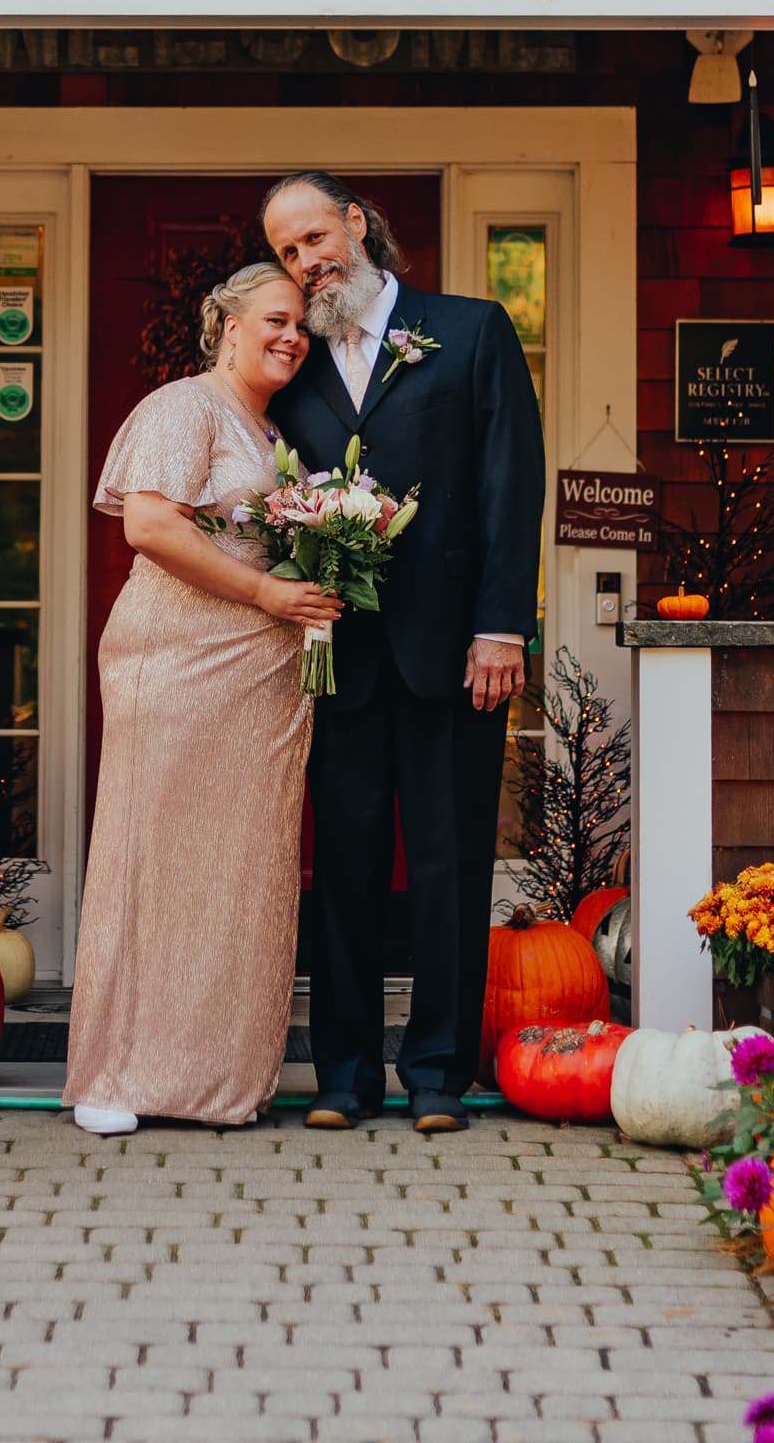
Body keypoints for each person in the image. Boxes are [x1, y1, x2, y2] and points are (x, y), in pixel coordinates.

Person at [259, 171, 544, 1134]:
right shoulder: (289, 364)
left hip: (455, 653)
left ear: (356, 222)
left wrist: (502, 625)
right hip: (338, 657)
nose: (306, 263)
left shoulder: (470, 331)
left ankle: (434, 1076)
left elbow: (511, 484)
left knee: (448, 862)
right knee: (338, 864)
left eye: (313, 238)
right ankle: (342, 1074)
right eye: (288, 254)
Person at [66, 262, 343, 1135]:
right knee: (153, 860)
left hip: (259, 683)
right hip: (178, 663)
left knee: (239, 875)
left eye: (302, 326)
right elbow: (150, 525)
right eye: (274, 319)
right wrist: (268, 597)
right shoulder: (184, 407)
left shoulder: (274, 432)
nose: (291, 337)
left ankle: (217, 1080)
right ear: (226, 324)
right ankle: (117, 1074)